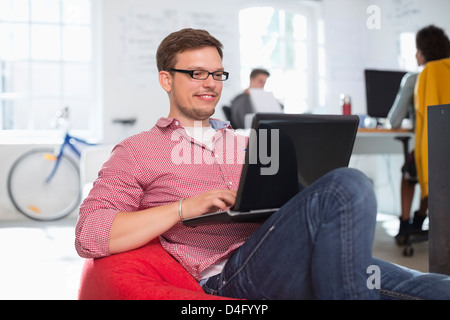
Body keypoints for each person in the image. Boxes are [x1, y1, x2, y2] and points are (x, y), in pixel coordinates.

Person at [75, 28, 450, 300]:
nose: (211, 84)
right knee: (349, 183)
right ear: (166, 80)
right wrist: (184, 208)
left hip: (293, 252)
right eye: (196, 73)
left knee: (436, 287)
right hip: (230, 274)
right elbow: (90, 233)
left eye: (218, 74)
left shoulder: (252, 141)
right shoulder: (137, 150)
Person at [387, 25, 450, 242]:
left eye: (417, 50)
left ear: (422, 52)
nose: (415, 54)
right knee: (436, 166)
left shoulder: (416, 78)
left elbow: (393, 121)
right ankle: (420, 218)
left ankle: (405, 225)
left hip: (430, 151)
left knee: (410, 168)